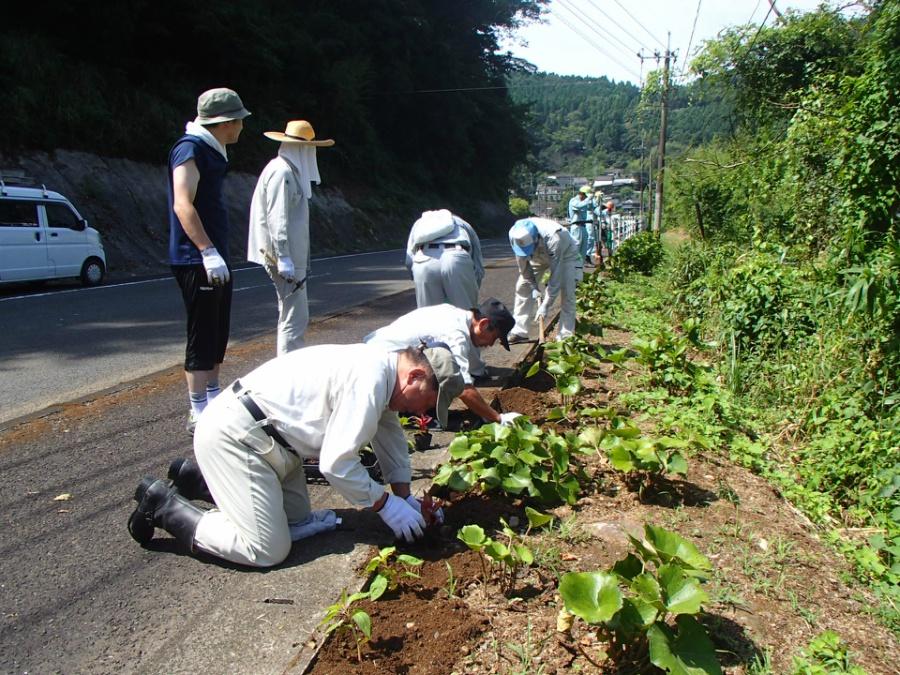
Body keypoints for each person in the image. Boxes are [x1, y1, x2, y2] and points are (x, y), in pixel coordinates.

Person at [127, 344, 465, 568]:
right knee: (266, 548)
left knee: (296, 521)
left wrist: (405, 497)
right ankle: (164, 507)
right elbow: (337, 464)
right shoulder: (371, 378)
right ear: (416, 375)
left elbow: (388, 433)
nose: (422, 411)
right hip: (235, 438)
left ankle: (195, 479)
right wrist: (385, 505)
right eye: (426, 401)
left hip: (274, 448)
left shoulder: (383, 371)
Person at [168, 87, 251, 433]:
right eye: (238, 121)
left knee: (218, 332)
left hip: (214, 256)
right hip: (196, 257)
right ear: (224, 123)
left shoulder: (212, 150)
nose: (242, 128)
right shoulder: (190, 149)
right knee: (202, 332)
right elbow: (182, 203)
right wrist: (206, 250)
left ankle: (214, 398)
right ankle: (197, 407)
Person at [248, 120, 335, 355]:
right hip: (282, 258)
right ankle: (288, 369)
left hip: (290, 257)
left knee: (293, 316)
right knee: (293, 319)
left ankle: (288, 366)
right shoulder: (283, 172)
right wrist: (284, 256)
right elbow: (278, 216)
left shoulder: (288, 171)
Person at [364, 298, 521, 426]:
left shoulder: (454, 314)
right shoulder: (456, 335)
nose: (490, 344)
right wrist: (498, 418)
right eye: (494, 338)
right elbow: (463, 388)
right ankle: (413, 413)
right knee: (439, 381)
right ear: (484, 324)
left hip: (379, 347)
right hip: (381, 359)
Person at [506, 217, 580, 342]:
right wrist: (534, 287)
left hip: (565, 255)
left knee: (568, 291)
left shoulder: (554, 238)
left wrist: (545, 306)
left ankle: (565, 335)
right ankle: (519, 331)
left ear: (536, 239)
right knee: (522, 286)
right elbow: (524, 269)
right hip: (537, 256)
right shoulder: (516, 236)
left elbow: (555, 280)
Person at [405, 209, 484, 309]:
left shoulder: (419, 224)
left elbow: (409, 260)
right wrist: (472, 289)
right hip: (456, 256)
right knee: (466, 316)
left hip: (423, 260)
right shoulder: (462, 223)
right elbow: (478, 264)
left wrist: (416, 278)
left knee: (428, 317)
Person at [567, 185, 593, 271]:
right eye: (585, 195)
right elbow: (579, 206)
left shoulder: (584, 201)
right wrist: (588, 199)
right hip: (576, 227)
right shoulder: (574, 201)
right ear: (581, 194)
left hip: (583, 226)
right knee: (576, 248)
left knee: (583, 251)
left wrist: (597, 199)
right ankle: (572, 270)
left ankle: (578, 271)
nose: (586, 198)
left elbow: (592, 207)